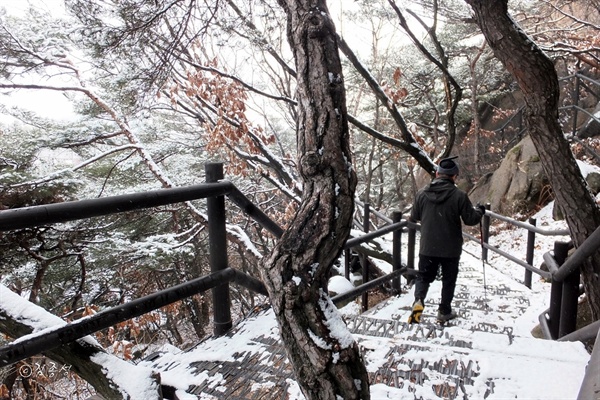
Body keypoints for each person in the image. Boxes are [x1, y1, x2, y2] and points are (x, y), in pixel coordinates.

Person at [408, 156, 485, 324]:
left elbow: (414, 216)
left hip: (428, 246)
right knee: (449, 280)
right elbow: (470, 219)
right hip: (450, 247)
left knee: (423, 277)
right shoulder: (459, 195)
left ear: (437, 174)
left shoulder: (422, 193)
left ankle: (418, 302)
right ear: (454, 176)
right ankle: (444, 311)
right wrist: (480, 211)